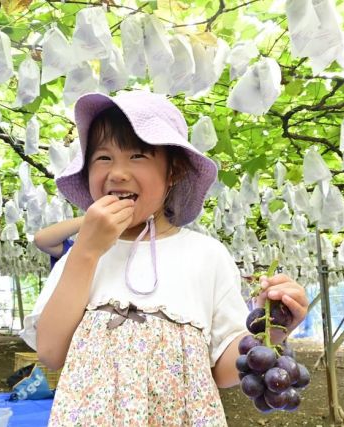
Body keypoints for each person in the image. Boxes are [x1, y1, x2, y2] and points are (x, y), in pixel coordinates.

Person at [20, 91, 308, 425]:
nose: (118, 173)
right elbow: (51, 353)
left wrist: (272, 329)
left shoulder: (206, 255)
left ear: (172, 174)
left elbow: (224, 372)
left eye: (138, 156)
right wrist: (86, 250)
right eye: (103, 158)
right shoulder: (83, 254)